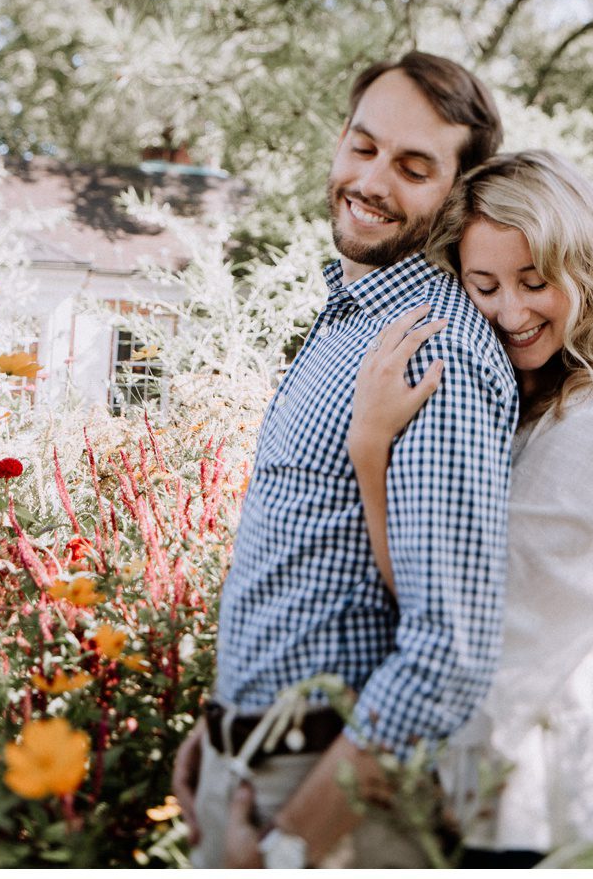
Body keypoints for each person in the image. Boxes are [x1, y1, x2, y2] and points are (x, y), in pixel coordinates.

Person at [176, 52, 519, 868]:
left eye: (413, 168)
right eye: (363, 147)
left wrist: (293, 845)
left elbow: (448, 652)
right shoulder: (349, 317)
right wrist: (222, 728)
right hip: (248, 765)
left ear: (457, 193)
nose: (370, 180)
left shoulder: (434, 352)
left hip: (327, 806)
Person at [343, 150, 593, 865]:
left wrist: (369, 451)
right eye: (484, 285)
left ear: (585, 272)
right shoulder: (527, 391)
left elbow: (463, 624)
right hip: (499, 799)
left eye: (535, 281)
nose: (512, 313)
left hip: (542, 815)